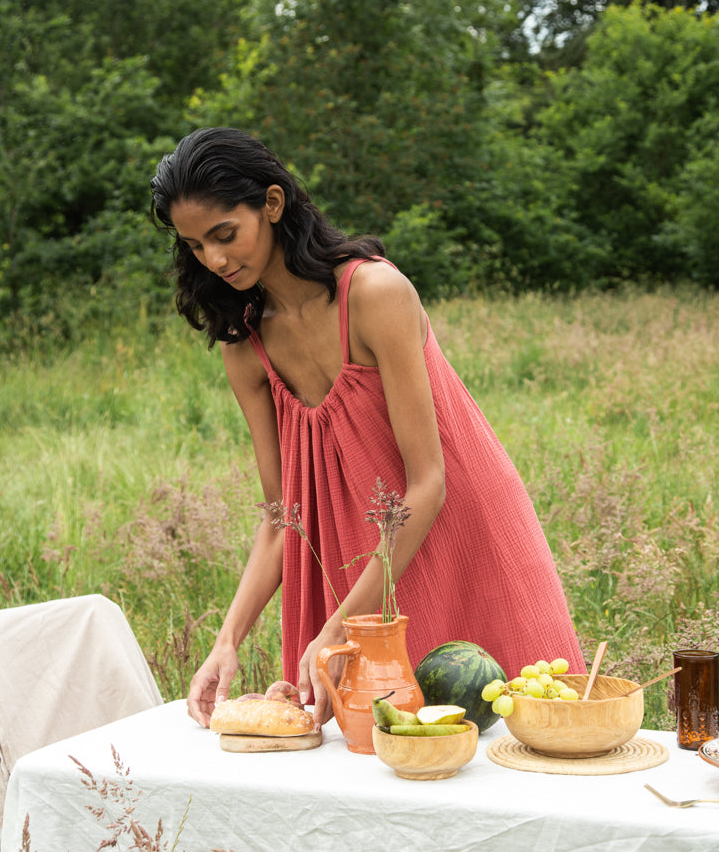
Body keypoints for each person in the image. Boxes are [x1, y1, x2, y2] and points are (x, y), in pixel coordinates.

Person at [150, 127, 586, 727]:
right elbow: (282, 518)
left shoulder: (375, 293)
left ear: (272, 205)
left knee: (524, 741)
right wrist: (227, 641)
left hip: (459, 533)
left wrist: (336, 628)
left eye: (226, 235)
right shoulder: (245, 346)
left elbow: (428, 483)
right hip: (357, 572)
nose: (216, 260)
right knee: (369, 766)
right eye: (196, 246)